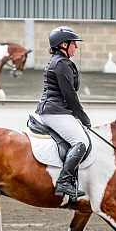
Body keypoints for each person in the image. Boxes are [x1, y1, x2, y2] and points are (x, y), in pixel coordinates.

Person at [35, 26, 91, 199]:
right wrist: (84, 118)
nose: (76, 47)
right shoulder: (60, 63)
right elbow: (70, 96)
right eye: (74, 43)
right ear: (64, 45)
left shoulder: (60, 61)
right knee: (81, 141)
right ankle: (64, 182)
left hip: (57, 110)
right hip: (55, 111)